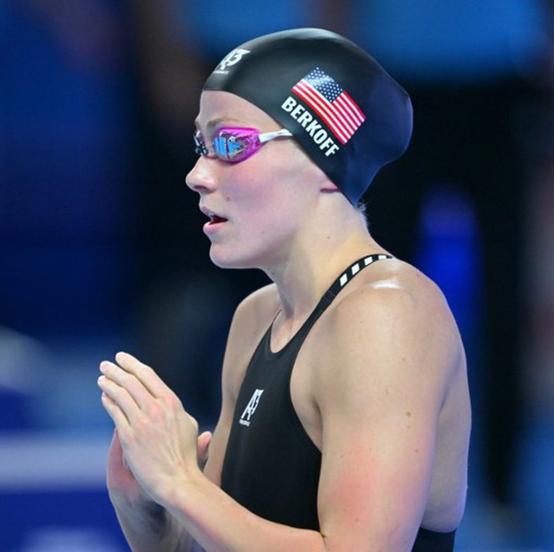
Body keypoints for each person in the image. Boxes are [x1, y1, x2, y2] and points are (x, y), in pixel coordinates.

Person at [98, 29, 471, 551]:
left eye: (230, 144)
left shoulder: (388, 316)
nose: (196, 175)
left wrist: (182, 484)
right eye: (201, 145)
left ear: (322, 162)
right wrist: (143, 504)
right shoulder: (256, 318)